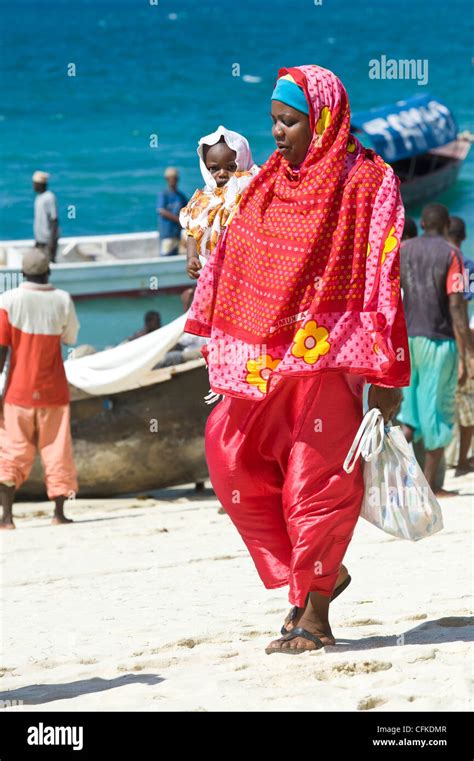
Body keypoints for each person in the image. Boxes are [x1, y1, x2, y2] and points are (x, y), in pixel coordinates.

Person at [184, 65, 410, 655]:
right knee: (229, 460)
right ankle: (319, 579)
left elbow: (385, 272)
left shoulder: (367, 181)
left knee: (315, 485)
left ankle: (314, 616)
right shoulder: (266, 186)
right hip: (260, 361)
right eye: (275, 122)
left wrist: (388, 374)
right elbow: (236, 258)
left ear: (324, 119)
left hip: (332, 360)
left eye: (290, 122)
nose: (278, 133)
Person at [0, 249, 80, 528]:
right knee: (57, 449)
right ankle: (58, 514)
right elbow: (70, 337)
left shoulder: (8, 301)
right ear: (48, 272)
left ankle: (7, 518)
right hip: (54, 390)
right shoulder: (62, 299)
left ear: (22, 273)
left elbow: (1, 351)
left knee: (12, 451)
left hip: (17, 392)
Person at [398, 204, 474, 495]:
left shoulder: (403, 250)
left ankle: (400, 482)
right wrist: (468, 349)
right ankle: (430, 487)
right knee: (438, 414)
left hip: (407, 340)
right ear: (444, 226)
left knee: (410, 415)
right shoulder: (450, 253)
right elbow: (456, 304)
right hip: (438, 341)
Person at [179, 126, 260, 279]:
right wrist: (192, 258)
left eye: (231, 167)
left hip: (243, 269)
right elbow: (193, 233)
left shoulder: (250, 188)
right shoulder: (201, 202)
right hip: (211, 271)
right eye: (214, 168)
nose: (222, 173)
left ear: (242, 161)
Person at [446, 216, 474, 475]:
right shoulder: (466, 265)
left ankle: (446, 457)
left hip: (428, 338)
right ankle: (461, 460)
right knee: (465, 399)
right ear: (464, 237)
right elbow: (462, 310)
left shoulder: (437, 257)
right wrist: (467, 352)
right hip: (456, 342)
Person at [156, 168, 187, 256]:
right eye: (171, 178)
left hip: (177, 233)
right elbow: (161, 211)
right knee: (166, 254)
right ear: (167, 179)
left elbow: (187, 210)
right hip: (167, 232)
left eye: (175, 178)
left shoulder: (180, 196)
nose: (173, 181)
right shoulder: (164, 195)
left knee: (176, 253)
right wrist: (178, 220)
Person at [32, 170, 60, 262]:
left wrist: (52, 243)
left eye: (35, 183)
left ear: (40, 184)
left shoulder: (49, 197)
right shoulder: (39, 197)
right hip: (40, 241)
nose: (33, 186)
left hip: (47, 241)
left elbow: (54, 220)